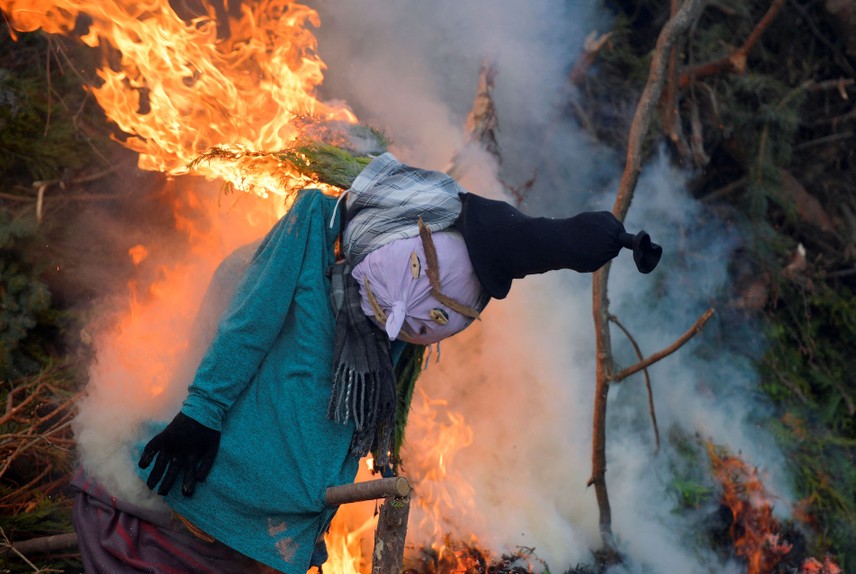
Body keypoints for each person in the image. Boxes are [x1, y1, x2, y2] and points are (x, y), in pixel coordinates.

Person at [71, 152, 661, 573]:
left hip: (291, 520)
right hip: (222, 480)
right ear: (405, 224)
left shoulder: (398, 331)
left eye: (437, 321)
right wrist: (201, 412)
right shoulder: (311, 231)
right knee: (147, 529)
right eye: (412, 285)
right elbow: (246, 325)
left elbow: (372, 411)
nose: (404, 325)